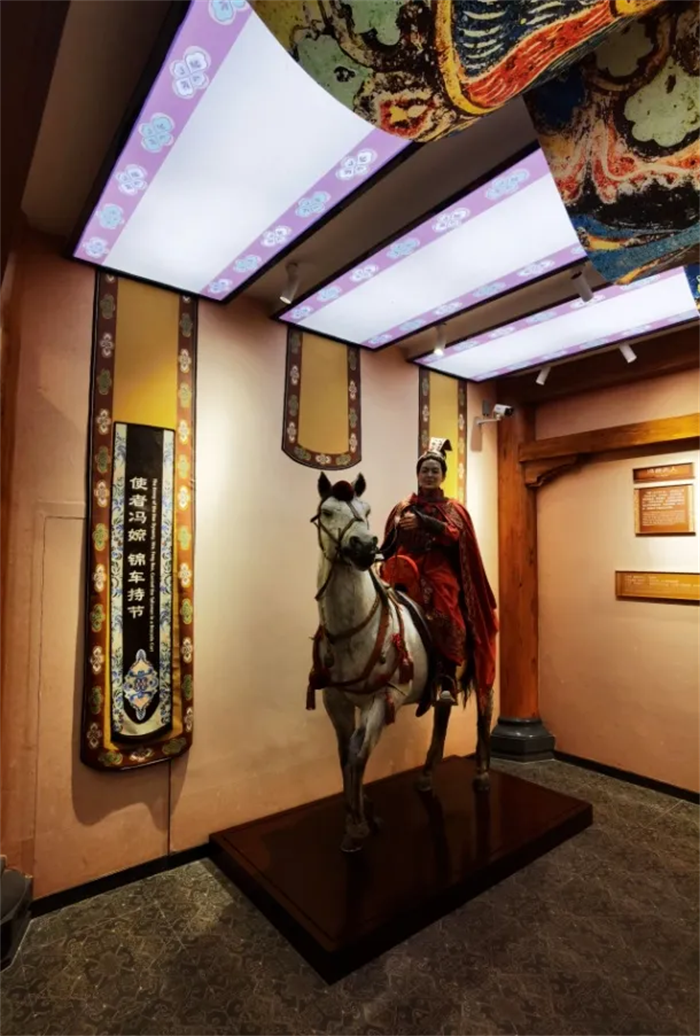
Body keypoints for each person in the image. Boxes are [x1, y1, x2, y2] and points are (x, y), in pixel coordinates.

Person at [380, 439, 498, 713]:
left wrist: (425, 522)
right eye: (425, 470)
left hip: (437, 568)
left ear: (443, 476)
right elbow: (389, 543)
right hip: (404, 566)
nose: (429, 475)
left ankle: (447, 677)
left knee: (446, 607)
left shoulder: (454, 509)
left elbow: (456, 536)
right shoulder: (402, 507)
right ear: (417, 474)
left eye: (435, 470)